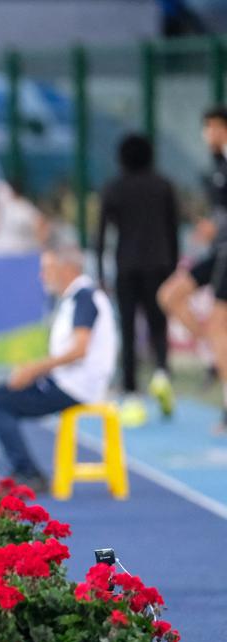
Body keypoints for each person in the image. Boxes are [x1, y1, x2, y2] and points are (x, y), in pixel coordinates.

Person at [0, 245, 117, 492]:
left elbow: (80, 349)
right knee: (1, 392)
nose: (42, 275)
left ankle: (28, 473)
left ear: (67, 269)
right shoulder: (76, 299)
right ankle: (26, 470)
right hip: (68, 382)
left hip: (75, 387)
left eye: (47, 268)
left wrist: (35, 369)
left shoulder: (84, 297)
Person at [97, 134, 179, 426]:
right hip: (159, 263)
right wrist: (173, 270)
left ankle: (131, 392)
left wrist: (98, 271)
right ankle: (161, 373)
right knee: (159, 324)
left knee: (129, 328)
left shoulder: (114, 187)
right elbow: (172, 230)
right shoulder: (163, 185)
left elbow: (102, 233)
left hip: (127, 265)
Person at [158, 107, 227, 432]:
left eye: (210, 127)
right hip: (217, 252)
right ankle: (213, 356)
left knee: (218, 325)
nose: (206, 134)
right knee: (169, 296)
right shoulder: (215, 165)